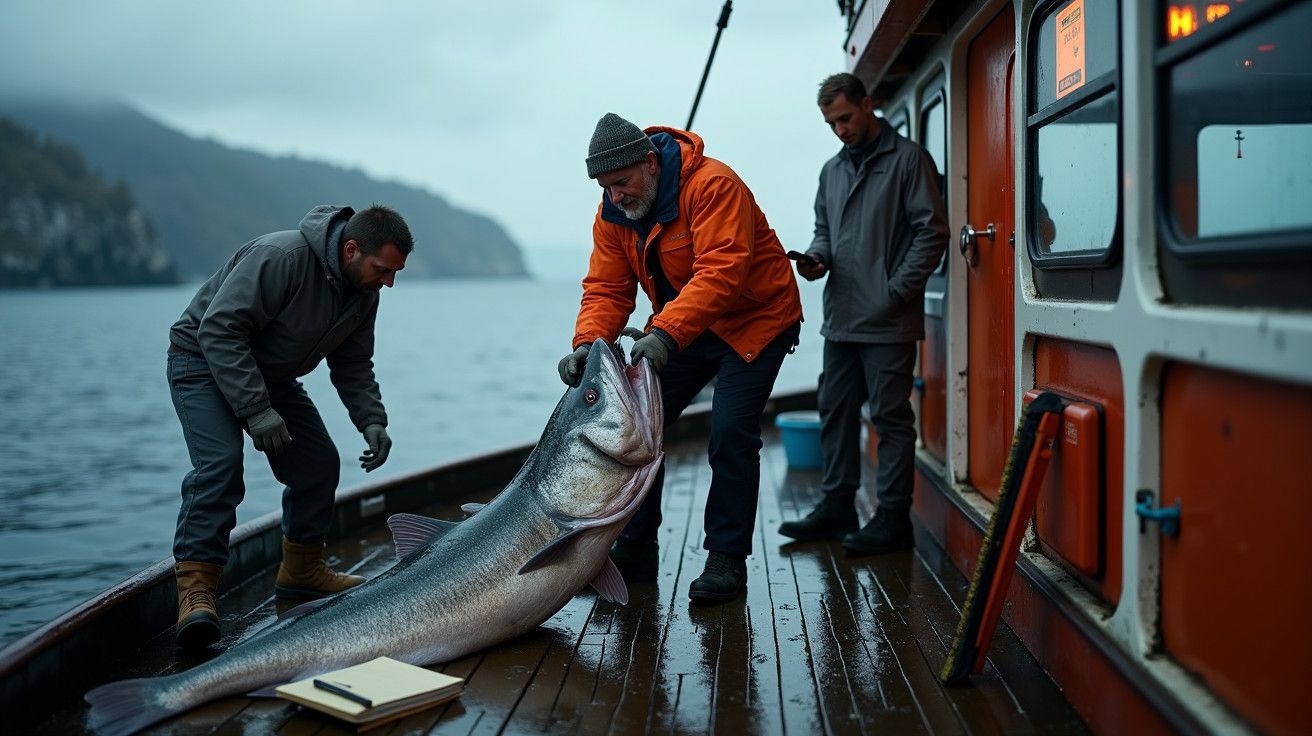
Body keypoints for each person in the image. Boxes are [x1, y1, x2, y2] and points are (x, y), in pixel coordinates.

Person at [558, 113, 803, 603]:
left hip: (754, 319)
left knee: (731, 432)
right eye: (606, 187)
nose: (616, 196)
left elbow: (721, 273)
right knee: (634, 428)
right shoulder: (613, 213)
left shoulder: (715, 185)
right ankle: (635, 551)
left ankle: (727, 562)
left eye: (622, 183)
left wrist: (665, 334)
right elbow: (607, 287)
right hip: (685, 327)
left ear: (649, 163)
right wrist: (586, 344)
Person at [166, 204, 412, 648]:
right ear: (352, 249)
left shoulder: (364, 293)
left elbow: (353, 362)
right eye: (383, 270)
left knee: (317, 464)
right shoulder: (281, 258)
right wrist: (257, 410)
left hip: (269, 377)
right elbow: (218, 330)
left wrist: (372, 420)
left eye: (394, 274)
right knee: (220, 467)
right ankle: (196, 592)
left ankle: (300, 572)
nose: (388, 283)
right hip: (200, 363)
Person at [777, 73, 949, 554]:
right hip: (842, 317)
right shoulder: (831, 171)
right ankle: (837, 507)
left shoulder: (909, 160)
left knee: (891, 418)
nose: (839, 130)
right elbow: (824, 232)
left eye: (845, 119)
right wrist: (816, 260)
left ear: (868, 105)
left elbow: (932, 232)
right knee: (835, 410)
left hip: (888, 319)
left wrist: (895, 292)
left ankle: (893, 519)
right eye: (830, 123)